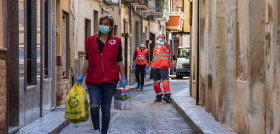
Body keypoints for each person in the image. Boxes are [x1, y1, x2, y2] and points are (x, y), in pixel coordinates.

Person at [77, 14, 127, 134]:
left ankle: (103, 132)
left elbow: (119, 60)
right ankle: (96, 130)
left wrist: (123, 76)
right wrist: (81, 75)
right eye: (101, 24)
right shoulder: (90, 41)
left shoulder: (116, 41)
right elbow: (87, 61)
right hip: (93, 80)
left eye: (106, 24)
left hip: (110, 81)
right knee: (94, 106)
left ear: (110, 27)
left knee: (105, 109)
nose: (103, 26)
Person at [151, 34, 171, 103]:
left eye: (162, 38)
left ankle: (167, 96)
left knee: (165, 82)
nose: (161, 39)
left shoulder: (166, 47)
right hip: (156, 67)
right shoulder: (155, 48)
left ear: (164, 39)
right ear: (157, 38)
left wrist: (164, 42)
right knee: (156, 84)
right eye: (159, 38)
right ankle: (159, 96)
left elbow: (168, 46)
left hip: (164, 67)